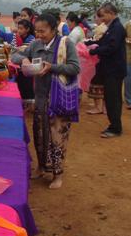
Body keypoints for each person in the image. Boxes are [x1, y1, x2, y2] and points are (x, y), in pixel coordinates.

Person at [11, 14, 80, 189]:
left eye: (43, 31)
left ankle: (58, 174)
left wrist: (53, 68)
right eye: (37, 31)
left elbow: (74, 67)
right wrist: (24, 59)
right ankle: (41, 167)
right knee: (40, 135)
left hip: (59, 99)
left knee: (57, 138)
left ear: (54, 28)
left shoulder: (66, 44)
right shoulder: (35, 44)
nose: (39, 35)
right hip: (41, 99)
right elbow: (14, 56)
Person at [86, 3, 126, 138]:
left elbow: (111, 48)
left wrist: (94, 51)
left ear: (110, 13)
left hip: (114, 69)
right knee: (110, 98)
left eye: (103, 15)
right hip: (109, 69)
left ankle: (115, 127)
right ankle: (114, 124)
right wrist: (87, 44)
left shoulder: (117, 28)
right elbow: (102, 42)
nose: (101, 18)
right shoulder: (111, 28)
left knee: (113, 99)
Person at [86, 12, 109, 115]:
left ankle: (98, 107)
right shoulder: (105, 28)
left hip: (98, 59)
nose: (95, 20)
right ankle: (104, 107)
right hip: (105, 60)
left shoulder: (101, 29)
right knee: (104, 84)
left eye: (96, 17)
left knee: (97, 82)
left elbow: (98, 43)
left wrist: (89, 45)